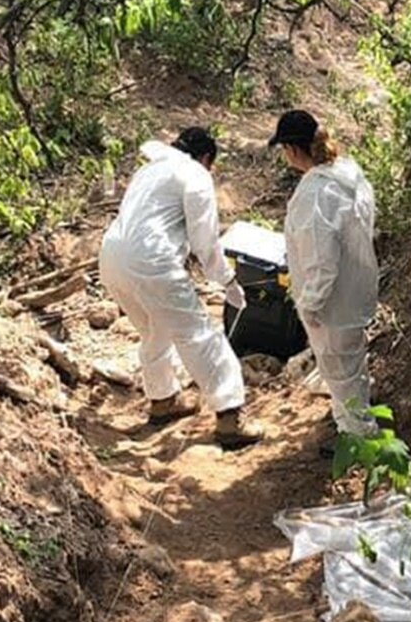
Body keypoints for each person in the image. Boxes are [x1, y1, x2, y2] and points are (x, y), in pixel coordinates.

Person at [99, 127, 265, 448]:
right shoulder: (196, 175)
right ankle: (230, 417)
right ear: (206, 159)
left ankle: (163, 401)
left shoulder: (149, 170)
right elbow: (205, 241)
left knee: (154, 329)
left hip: (111, 258)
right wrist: (227, 280)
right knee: (200, 335)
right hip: (153, 261)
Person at [272, 110, 381, 442]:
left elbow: (322, 259)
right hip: (356, 289)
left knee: (341, 374)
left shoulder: (314, 194)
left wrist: (309, 304)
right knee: (350, 370)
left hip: (331, 304)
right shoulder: (349, 174)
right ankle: (354, 428)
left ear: (292, 149)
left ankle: (359, 441)